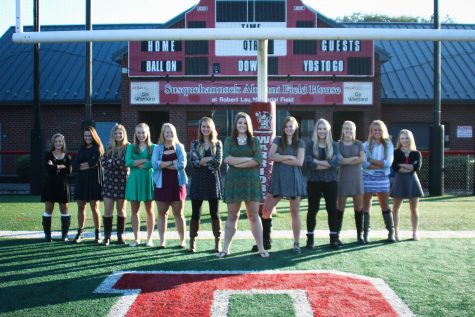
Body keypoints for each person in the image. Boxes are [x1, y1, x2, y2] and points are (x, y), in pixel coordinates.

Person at [218, 112, 269, 258]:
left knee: (253, 216)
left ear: (248, 125)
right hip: (234, 182)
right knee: (232, 216)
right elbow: (227, 159)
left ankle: (261, 248)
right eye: (239, 122)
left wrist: (238, 162)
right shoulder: (229, 140)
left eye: (244, 123)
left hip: (250, 182)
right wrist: (247, 160)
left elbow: (258, 160)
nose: (242, 125)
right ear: (236, 124)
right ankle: (226, 248)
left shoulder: (254, 141)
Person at [261, 116, 306, 253]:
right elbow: (271, 156)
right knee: (265, 211)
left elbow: (299, 162)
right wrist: (289, 157)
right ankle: (266, 240)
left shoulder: (300, 143)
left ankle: (296, 243)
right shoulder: (278, 140)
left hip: (294, 179)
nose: (288, 129)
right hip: (278, 179)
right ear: (283, 128)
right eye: (286, 126)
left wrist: (281, 159)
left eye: (291, 126)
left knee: (295, 212)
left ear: (296, 127)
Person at [304, 118, 341, 249]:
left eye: (324, 129)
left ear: (328, 130)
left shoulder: (335, 145)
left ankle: (334, 239)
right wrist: (328, 163)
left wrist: (317, 162)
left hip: (331, 181)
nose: (322, 131)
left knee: (332, 209)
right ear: (316, 130)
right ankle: (310, 240)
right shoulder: (310, 144)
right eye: (319, 129)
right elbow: (308, 162)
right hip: (314, 181)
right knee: (313, 209)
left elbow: (337, 163)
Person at [188, 117, 223, 253]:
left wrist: (202, 160)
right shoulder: (194, 143)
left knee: (214, 212)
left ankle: (217, 242)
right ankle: (192, 241)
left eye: (208, 126)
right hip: (197, 181)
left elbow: (218, 162)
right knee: (196, 212)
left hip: (212, 181)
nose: (205, 129)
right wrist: (208, 159)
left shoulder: (218, 143)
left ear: (212, 128)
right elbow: (193, 161)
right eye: (203, 126)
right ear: (200, 128)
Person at [152, 123, 188, 249]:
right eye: (166, 132)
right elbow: (155, 165)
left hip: (176, 184)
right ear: (163, 133)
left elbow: (182, 164)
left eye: (171, 132)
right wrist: (172, 162)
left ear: (174, 133)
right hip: (161, 185)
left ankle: (182, 241)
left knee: (178, 213)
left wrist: (164, 164)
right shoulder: (157, 148)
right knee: (162, 214)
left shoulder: (179, 147)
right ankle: (162, 241)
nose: (169, 134)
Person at [362, 120, 395, 243]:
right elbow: (365, 165)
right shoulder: (365, 145)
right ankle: (365, 234)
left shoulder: (389, 145)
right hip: (367, 177)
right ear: (371, 131)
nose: (377, 132)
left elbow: (389, 163)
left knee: (384, 205)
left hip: (382, 179)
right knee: (366, 206)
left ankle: (391, 233)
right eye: (375, 130)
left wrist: (372, 160)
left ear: (383, 131)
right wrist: (380, 165)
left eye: (379, 130)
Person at [125, 123, 156, 247]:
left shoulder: (153, 147)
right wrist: (144, 160)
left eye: (143, 132)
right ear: (135, 134)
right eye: (138, 132)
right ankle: (136, 238)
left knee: (150, 210)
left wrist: (137, 163)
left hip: (148, 179)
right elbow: (127, 162)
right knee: (134, 211)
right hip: (134, 180)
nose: (141, 135)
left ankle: (149, 239)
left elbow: (153, 163)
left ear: (147, 133)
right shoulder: (131, 147)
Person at [391, 129, 424, 241]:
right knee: (395, 208)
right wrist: (409, 167)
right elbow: (395, 167)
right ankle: (396, 233)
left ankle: (414, 233)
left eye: (406, 138)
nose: (404, 141)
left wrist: (403, 166)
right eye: (402, 138)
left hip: (412, 181)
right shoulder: (395, 152)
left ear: (410, 139)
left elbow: (416, 167)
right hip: (399, 181)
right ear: (399, 140)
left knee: (413, 208)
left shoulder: (416, 153)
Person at [73, 126, 104, 243]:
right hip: (81, 180)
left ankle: (97, 233)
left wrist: (85, 165)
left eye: (90, 135)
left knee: (94, 206)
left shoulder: (98, 148)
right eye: (86, 136)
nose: (87, 138)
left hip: (93, 180)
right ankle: (80, 233)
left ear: (94, 136)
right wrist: (87, 165)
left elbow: (93, 163)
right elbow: (76, 165)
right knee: (81, 206)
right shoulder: (81, 148)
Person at [336, 121, 365, 244]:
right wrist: (353, 159)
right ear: (342, 130)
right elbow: (339, 161)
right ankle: (336, 235)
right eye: (346, 129)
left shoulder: (359, 144)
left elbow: (362, 159)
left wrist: (346, 160)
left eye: (350, 129)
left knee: (358, 208)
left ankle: (360, 235)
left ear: (354, 131)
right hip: (343, 179)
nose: (348, 131)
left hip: (357, 179)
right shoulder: (338, 145)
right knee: (340, 208)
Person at [41, 133, 72, 242]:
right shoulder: (48, 154)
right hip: (50, 185)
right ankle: (47, 235)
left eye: (60, 141)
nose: (58, 143)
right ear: (53, 143)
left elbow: (69, 171)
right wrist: (61, 166)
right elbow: (48, 168)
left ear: (63, 143)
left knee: (64, 209)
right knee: (48, 209)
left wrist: (54, 166)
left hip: (63, 186)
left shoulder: (67, 156)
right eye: (56, 141)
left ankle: (65, 235)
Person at [101, 124, 129, 246]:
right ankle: (107, 236)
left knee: (121, 210)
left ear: (123, 134)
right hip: (109, 182)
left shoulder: (128, 147)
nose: (118, 135)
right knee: (108, 210)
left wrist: (112, 162)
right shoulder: (108, 147)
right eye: (116, 133)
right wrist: (115, 163)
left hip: (123, 181)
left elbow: (125, 163)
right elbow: (103, 163)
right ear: (113, 135)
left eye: (120, 133)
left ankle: (120, 235)